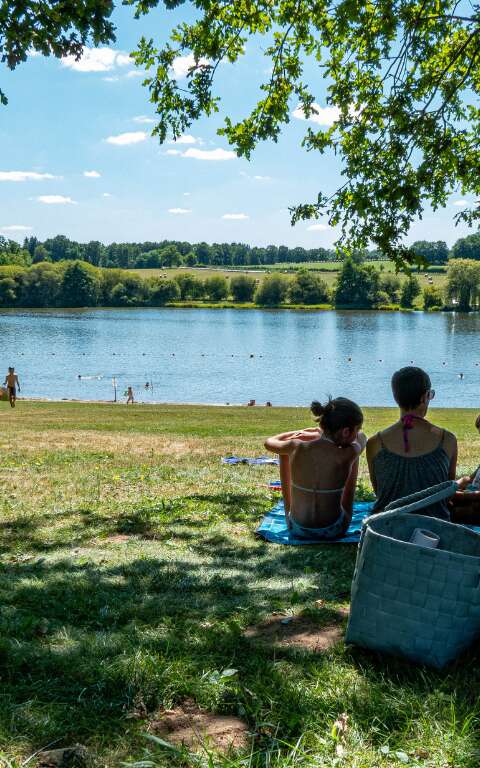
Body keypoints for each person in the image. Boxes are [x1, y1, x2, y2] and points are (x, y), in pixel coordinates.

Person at [264, 397, 367, 540]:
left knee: (284, 453)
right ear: (345, 432)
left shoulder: (296, 446)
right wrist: (318, 433)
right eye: (357, 429)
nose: (358, 432)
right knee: (353, 460)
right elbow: (362, 438)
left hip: (296, 528)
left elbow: (269, 443)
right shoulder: (348, 453)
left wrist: (300, 433)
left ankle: (290, 509)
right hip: (335, 529)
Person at [366, 366, 457, 520]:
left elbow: (379, 491)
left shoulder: (375, 443)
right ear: (425, 397)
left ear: (395, 398)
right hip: (434, 528)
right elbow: (447, 493)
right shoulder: (447, 440)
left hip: (386, 528)